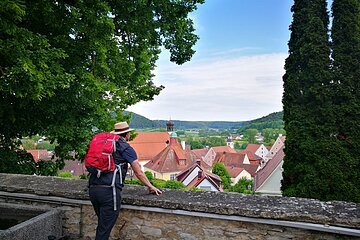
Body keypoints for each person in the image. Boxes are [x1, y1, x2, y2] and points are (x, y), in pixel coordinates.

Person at [88, 122, 162, 240]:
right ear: (127, 134)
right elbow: (138, 172)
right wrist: (150, 186)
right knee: (103, 230)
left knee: (103, 225)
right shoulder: (126, 148)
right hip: (109, 191)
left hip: (93, 188)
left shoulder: (105, 146)